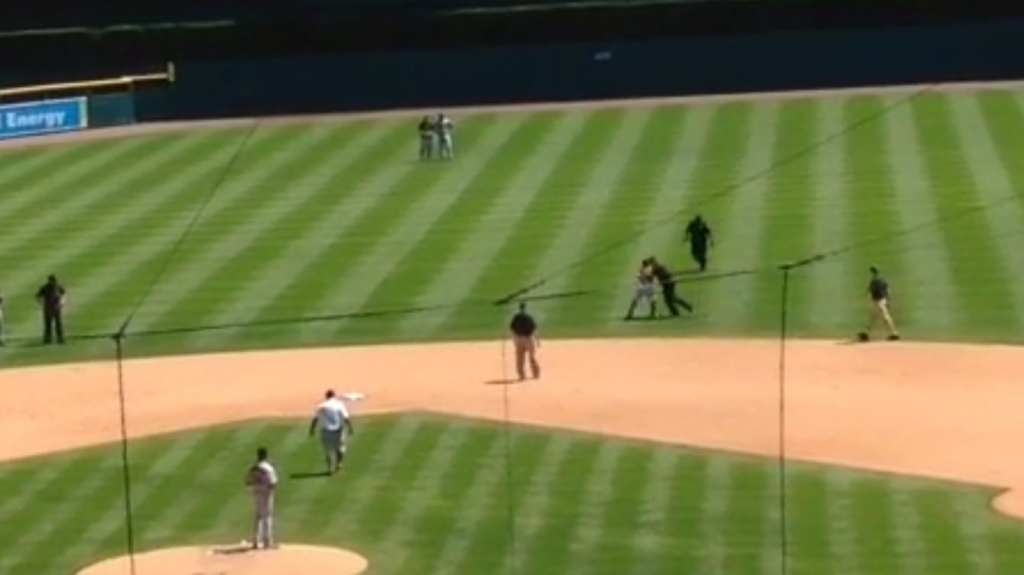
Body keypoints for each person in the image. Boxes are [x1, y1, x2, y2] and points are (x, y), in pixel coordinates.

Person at [308, 389, 354, 474]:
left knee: (327, 450)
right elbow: (346, 417)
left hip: (326, 430)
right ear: (334, 396)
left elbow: (315, 419)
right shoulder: (339, 404)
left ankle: (329, 467)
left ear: (326, 396)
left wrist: (312, 430)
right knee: (340, 448)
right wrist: (350, 428)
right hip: (338, 430)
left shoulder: (322, 405)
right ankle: (339, 464)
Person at [244, 446, 278, 550]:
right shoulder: (268, 468)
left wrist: (256, 485)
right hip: (266, 494)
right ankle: (267, 542)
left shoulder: (253, 468)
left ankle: (255, 541)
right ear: (266, 456)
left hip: (256, 493)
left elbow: (247, 481)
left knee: (258, 516)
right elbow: (273, 483)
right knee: (267, 517)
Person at [858, 266, 900, 342]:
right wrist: (888, 300)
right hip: (882, 300)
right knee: (873, 318)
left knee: (884, 317)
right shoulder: (883, 280)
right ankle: (866, 333)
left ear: (872, 272)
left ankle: (894, 333)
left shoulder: (873, 281)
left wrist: (864, 296)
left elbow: (869, 291)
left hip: (877, 301)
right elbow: (888, 290)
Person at [509, 302, 540, 380]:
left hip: (519, 339)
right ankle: (535, 374)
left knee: (520, 358)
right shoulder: (528, 317)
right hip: (528, 339)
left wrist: (514, 338)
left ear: (520, 308)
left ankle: (521, 375)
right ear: (525, 308)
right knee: (532, 357)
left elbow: (512, 328)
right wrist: (537, 340)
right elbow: (534, 329)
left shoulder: (516, 317)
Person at [35, 275, 66, 344]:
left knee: (58, 324)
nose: (53, 282)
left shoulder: (58, 287)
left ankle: (60, 338)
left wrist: (61, 303)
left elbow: (63, 295)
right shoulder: (45, 288)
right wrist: (42, 303)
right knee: (48, 324)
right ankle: (48, 339)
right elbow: (37, 296)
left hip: (56, 308)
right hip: (48, 308)